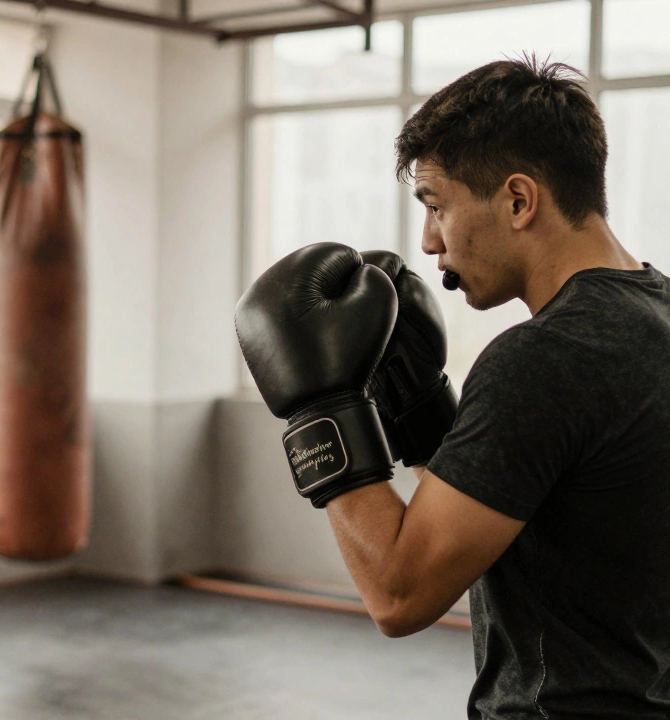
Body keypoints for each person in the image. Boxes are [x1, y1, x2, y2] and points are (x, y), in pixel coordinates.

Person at [235, 57, 670, 718]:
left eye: (438, 205)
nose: (429, 240)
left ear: (519, 201)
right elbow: (546, 494)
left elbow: (399, 594)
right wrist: (421, 409)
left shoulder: (543, 359)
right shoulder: (655, 317)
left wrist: (320, 407)